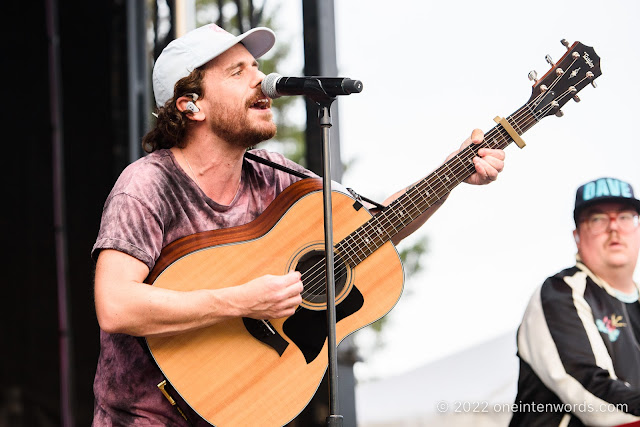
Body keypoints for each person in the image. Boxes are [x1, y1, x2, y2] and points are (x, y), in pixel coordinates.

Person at [91, 23, 505, 425]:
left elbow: (376, 224)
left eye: (256, 67)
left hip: (241, 410)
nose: (263, 80)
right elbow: (115, 305)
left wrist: (451, 175)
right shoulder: (147, 185)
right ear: (191, 105)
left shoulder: (274, 175)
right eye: (238, 72)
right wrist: (243, 301)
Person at [510, 177, 640, 427]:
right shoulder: (559, 293)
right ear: (577, 236)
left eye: (625, 217)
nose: (614, 228)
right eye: (598, 219)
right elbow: (592, 396)